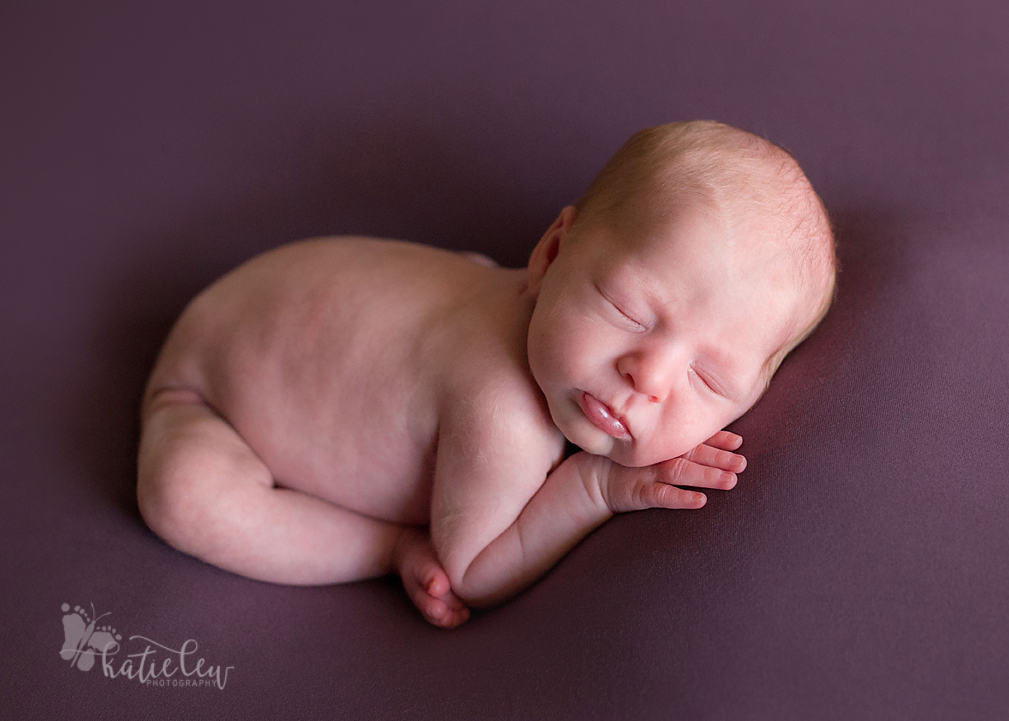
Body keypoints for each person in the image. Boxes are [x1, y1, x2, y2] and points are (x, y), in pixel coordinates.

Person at [137, 120, 837, 629]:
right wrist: (593, 487)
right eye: (627, 308)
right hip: (204, 399)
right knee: (184, 495)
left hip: (254, 302)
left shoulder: (533, 306)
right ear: (550, 252)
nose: (646, 375)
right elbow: (474, 568)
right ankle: (383, 545)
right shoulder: (503, 410)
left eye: (708, 380)